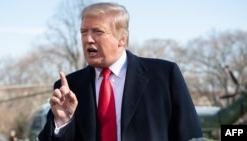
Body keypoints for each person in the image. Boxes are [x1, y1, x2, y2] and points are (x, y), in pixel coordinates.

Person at [39, 2, 203, 141]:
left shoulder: (164, 76)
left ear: (122, 39)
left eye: (98, 31)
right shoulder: (67, 87)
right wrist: (62, 123)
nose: (88, 39)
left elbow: (191, 135)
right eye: (84, 32)